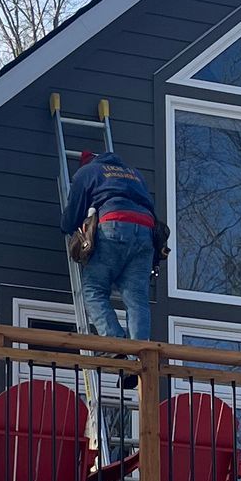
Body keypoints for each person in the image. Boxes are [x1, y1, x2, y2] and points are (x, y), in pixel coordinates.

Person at [61, 146, 161, 341]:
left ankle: (115, 341)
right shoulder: (135, 175)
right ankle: (139, 354)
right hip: (146, 232)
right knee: (137, 298)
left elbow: (72, 217)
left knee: (93, 289)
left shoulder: (88, 172)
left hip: (114, 225)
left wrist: (68, 227)